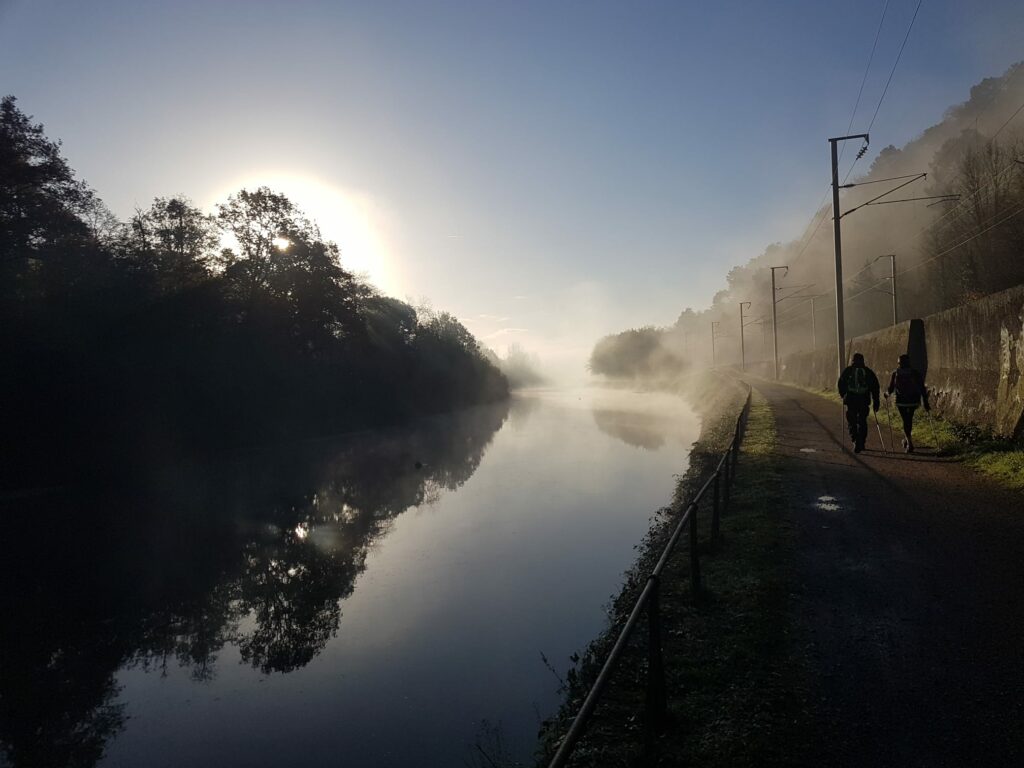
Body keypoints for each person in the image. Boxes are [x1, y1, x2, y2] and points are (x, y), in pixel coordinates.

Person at [885, 353, 930, 453]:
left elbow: (891, 388)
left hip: (901, 402)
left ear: (898, 363)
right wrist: (925, 401)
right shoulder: (915, 373)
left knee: (905, 420)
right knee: (909, 420)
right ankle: (906, 439)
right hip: (913, 401)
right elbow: (922, 388)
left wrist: (887, 394)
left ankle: (909, 443)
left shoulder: (895, 373)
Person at [838, 352, 880, 453]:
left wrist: (843, 395)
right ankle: (862, 441)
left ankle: (855, 440)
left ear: (852, 360)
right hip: (864, 400)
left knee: (852, 422)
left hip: (851, 401)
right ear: (863, 360)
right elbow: (875, 387)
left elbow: (841, 383)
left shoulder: (848, 371)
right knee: (862, 421)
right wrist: (876, 401)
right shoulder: (868, 372)